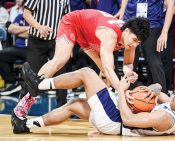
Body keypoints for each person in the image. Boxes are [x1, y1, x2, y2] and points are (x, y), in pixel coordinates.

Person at [13, 9, 150, 120]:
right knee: (61, 59)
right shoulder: (110, 35)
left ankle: (99, 109)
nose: (134, 44)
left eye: (138, 43)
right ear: (126, 31)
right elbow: (109, 69)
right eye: (134, 40)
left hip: (90, 33)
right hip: (73, 22)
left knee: (106, 70)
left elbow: (127, 64)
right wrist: (122, 91)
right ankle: (27, 99)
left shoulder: (131, 40)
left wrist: (128, 73)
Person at [11, 62, 175, 136]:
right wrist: (155, 87)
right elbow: (159, 90)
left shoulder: (165, 118)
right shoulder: (174, 109)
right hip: (114, 120)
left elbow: (129, 120)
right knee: (74, 105)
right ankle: (27, 126)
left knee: (87, 73)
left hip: (115, 120)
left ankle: (39, 85)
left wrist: (121, 89)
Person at [12, 0, 71, 120]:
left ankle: (62, 108)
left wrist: (68, 45)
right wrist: (39, 27)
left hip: (56, 41)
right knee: (30, 76)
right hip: (36, 41)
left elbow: (67, 20)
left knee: (61, 72)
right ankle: (19, 113)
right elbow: (26, 14)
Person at [117, 0, 175, 93]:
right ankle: (127, 94)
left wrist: (164, 32)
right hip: (131, 22)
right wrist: (120, 21)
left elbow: (171, 5)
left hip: (152, 24)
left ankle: (162, 97)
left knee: (154, 62)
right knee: (129, 62)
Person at [0, 0, 29, 96]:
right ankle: (13, 82)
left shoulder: (38, 19)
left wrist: (19, 30)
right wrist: (27, 29)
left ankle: (34, 87)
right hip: (17, 47)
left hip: (32, 49)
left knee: (36, 60)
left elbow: (33, 34)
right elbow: (10, 29)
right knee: (1, 55)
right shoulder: (19, 16)